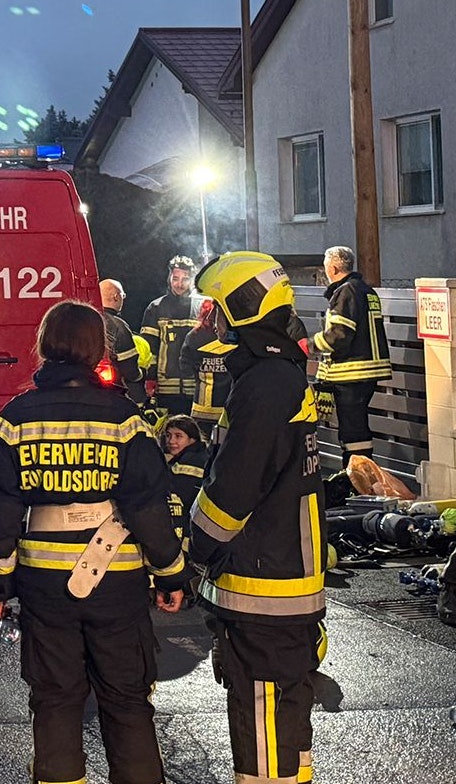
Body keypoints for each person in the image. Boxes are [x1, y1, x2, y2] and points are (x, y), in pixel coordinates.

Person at [0, 299, 189, 784]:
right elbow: (147, 505)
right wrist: (171, 572)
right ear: (99, 348)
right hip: (116, 579)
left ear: (44, 347)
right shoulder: (125, 418)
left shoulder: (15, 418)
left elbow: (2, 511)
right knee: (126, 699)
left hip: (43, 583)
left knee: (54, 698)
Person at [190, 251, 326, 784]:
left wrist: (190, 554)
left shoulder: (264, 385)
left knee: (265, 726)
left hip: (263, 585)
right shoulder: (282, 375)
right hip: (290, 581)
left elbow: (231, 493)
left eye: (219, 310)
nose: (214, 322)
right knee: (289, 722)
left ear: (241, 309)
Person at [312, 245, 392, 465]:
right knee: (357, 427)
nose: (325, 271)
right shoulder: (366, 290)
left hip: (351, 374)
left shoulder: (346, 292)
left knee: (352, 432)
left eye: (326, 266)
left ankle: (356, 480)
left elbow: (339, 335)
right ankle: (361, 476)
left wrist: (310, 345)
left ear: (335, 268)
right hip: (366, 373)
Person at [140, 255, 202, 416]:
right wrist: (150, 378)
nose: (179, 284)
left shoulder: (202, 307)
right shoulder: (156, 308)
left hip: (195, 386)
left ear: (192, 279)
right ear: (169, 278)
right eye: (175, 278)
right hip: (165, 387)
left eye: (185, 279)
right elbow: (149, 349)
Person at [180, 298, 235, 440]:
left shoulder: (194, 336)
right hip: (228, 406)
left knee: (202, 445)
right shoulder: (232, 337)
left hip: (202, 408)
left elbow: (184, 367)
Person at [159, 414, 207, 544]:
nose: (171, 441)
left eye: (178, 436)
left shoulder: (189, 462)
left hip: (187, 535)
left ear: (192, 439)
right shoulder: (200, 456)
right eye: (168, 435)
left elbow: (179, 501)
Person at [100, 279, 144, 401]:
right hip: (113, 392)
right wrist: (141, 374)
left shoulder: (87, 319)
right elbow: (130, 370)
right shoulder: (118, 326)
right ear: (116, 297)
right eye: (122, 296)